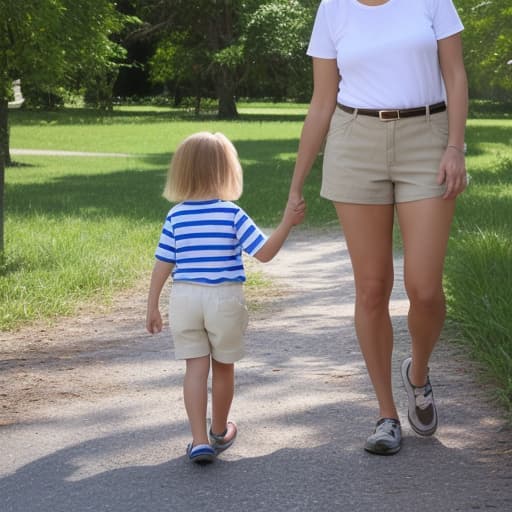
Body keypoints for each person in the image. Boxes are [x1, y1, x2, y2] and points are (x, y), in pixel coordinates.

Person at [288, 0, 468, 455]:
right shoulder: (333, 9)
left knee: (424, 288)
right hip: (355, 142)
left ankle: (418, 374)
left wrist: (455, 146)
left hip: (427, 135)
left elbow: (455, 72)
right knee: (371, 288)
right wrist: (297, 181)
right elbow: (323, 98)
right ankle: (387, 414)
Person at [146, 131, 305, 463]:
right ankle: (219, 430)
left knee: (194, 368)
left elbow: (163, 264)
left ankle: (199, 440)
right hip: (224, 299)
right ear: (227, 171)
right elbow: (263, 254)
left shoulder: (176, 216)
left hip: (185, 299)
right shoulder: (231, 214)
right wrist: (287, 223)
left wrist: (152, 306)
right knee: (223, 367)